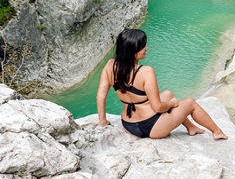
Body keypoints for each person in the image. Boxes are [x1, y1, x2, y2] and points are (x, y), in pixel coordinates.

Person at [96, 29, 227, 140]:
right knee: (190, 103)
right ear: (133, 50)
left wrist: (102, 121)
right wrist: (173, 104)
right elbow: (158, 107)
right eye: (143, 46)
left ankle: (191, 127)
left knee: (168, 94)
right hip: (151, 127)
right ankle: (217, 132)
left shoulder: (110, 65)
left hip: (128, 123)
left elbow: (101, 97)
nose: (147, 48)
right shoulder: (146, 71)